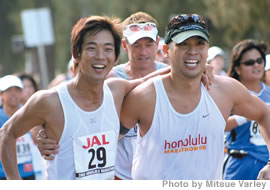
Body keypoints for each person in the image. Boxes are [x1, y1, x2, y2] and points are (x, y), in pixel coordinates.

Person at [0, 15, 153, 180]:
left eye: (108, 49)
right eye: (92, 48)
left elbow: (152, 80)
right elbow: (6, 133)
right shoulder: (51, 101)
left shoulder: (116, 89)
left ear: (115, 57)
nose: (100, 56)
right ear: (76, 53)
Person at [119, 14, 270, 180]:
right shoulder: (144, 97)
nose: (193, 51)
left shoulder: (226, 90)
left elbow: (264, 114)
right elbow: (107, 138)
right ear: (166, 50)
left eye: (200, 44)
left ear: (207, 48)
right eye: (183, 44)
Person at [107, 11, 168, 180]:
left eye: (148, 44)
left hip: (160, 174)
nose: (143, 52)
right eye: (136, 45)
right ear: (125, 45)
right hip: (120, 175)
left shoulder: (169, 75)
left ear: (157, 44)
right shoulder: (110, 78)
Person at [223, 39, 270, 179]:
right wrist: (248, 115)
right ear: (237, 68)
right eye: (249, 62)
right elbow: (218, 124)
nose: (256, 65)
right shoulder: (228, 93)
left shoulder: (269, 92)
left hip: (267, 164)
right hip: (240, 163)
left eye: (259, 60)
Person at [0, 75, 35, 180]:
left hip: (28, 172)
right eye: (9, 90)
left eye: (17, 90)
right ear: (1, 93)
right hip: (4, 174)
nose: (13, 93)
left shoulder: (30, 114)